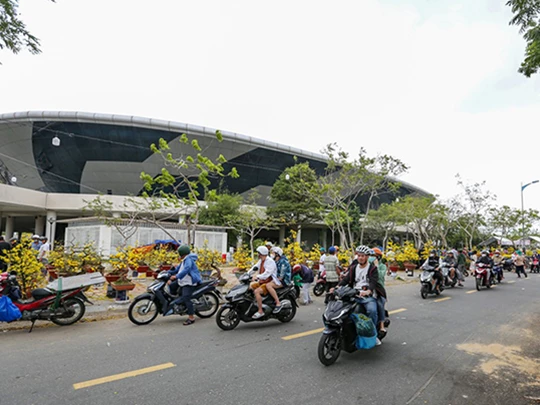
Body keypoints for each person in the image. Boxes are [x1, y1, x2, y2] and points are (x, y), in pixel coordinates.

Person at [337, 245, 382, 345]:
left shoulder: (372, 269)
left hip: (367, 297)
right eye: (359, 255)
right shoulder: (353, 268)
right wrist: (337, 287)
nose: (360, 258)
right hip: (353, 294)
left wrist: (369, 291)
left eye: (363, 256)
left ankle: (373, 334)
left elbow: (373, 282)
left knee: (372, 311)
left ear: (367, 257)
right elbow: (346, 279)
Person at [166, 245, 202, 325]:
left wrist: (176, 276)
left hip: (189, 282)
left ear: (182, 254)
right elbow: (178, 269)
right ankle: (177, 303)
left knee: (186, 298)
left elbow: (187, 269)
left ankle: (191, 317)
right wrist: (168, 272)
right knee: (171, 286)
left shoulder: (188, 260)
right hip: (182, 281)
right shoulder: (184, 260)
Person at [250, 246, 278, 319]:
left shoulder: (270, 262)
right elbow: (254, 268)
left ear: (261, 253)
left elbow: (266, 274)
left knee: (257, 291)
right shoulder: (261, 260)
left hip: (269, 282)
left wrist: (257, 276)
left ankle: (260, 311)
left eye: (258, 253)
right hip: (262, 281)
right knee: (249, 287)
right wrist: (247, 274)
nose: (258, 255)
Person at [266, 247, 291, 313]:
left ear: (277, 254)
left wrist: (274, 280)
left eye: (273, 253)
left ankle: (278, 303)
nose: (272, 254)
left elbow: (281, 276)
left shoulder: (283, 261)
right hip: (277, 279)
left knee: (269, 286)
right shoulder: (276, 261)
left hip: (284, 281)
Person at [372, 247, 389, 335]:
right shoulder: (366, 264)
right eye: (371, 255)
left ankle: (381, 326)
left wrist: (376, 266)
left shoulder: (382, 266)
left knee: (379, 304)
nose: (373, 257)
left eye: (375, 256)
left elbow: (380, 276)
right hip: (368, 289)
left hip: (379, 289)